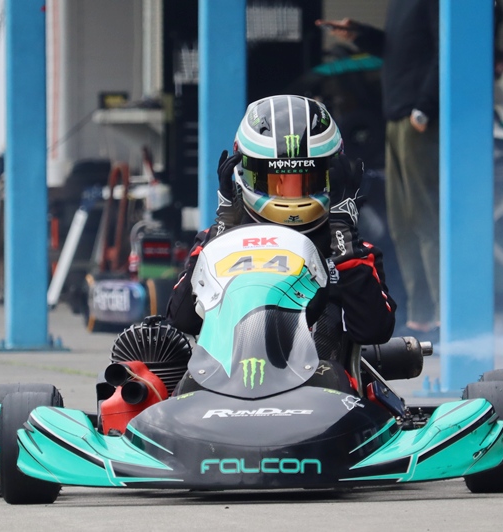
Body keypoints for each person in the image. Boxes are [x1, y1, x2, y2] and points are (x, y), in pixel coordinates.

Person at [166, 94, 396, 386]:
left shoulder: (353, 252)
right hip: (223, 393)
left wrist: (342, 236)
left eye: (305, 181)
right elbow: (181, 321)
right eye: (278, 182)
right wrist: (223, 229)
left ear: (333, 176)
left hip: (322, 396)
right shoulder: (215, 244)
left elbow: (374, 330)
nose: (291, 194)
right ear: (245, 173)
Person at [318, 3, 441, 342]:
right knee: (404, 224)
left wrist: (425, 107)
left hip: (418, 119)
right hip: (398, 117)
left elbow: (447, 50)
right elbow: (400, 49)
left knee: (426, 220)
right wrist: (361, 35)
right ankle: (422, 318)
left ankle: (444, 315)